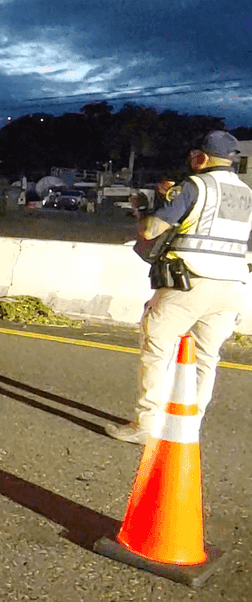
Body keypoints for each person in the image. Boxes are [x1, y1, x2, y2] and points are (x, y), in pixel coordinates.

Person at [107, 131, 252, 443]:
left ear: (200, 157)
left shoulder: (194, 186)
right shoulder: (246, 192)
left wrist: (152, 207)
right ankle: (188, 426)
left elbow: (151, 231)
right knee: (206, 359)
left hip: (189, 284)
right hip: (234, 286)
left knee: (156, 349)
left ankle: (146, 425)